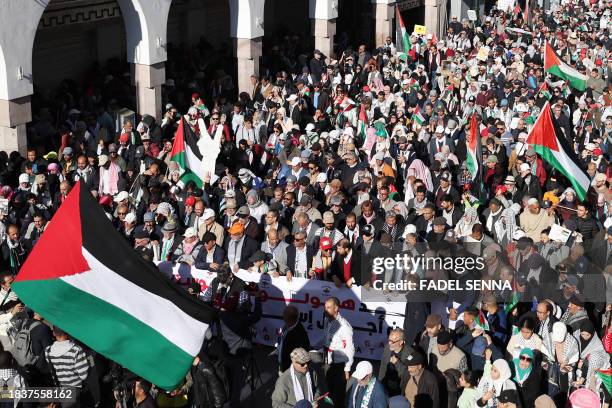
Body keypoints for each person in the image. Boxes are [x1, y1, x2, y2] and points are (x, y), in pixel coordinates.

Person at [318, 297, 354, 408]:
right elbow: (327, 339)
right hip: (328, 360)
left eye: (328, 307)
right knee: (328, 390)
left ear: (336, 308)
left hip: (339, 364)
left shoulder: (344, 326)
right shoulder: (326, 320)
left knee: (338, 394)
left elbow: (350, 349)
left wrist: (347, 369)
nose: (325, 310)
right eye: (325, 307)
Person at [44, 326, 90, 406]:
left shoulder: (48, 350)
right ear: (68, 332)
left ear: (54, 333)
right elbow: (83, 376)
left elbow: (52, 369)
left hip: (60, 388)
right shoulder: (76, 350)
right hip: (75, 389)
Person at [378, 328, 413, 397]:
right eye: (389, 340)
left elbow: (408, 374)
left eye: (393, 341)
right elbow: (383, 365)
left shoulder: (410, 353)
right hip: (386, 385)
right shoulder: (387, 348)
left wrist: (397, 363)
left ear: (401, 342)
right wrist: (380, 383)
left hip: (400, 389)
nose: (389, 343)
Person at [278, 305, 311, 373]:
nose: (283, 317)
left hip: (290, 370)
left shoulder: (299, 335)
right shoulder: (286, 327)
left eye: (284, 315)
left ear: (288, 318)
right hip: (283, 365)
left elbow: (302, 356)